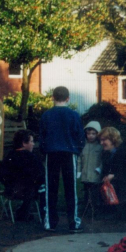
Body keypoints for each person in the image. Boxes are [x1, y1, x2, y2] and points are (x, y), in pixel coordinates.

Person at [39, 86, 85, 232]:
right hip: (69, 153)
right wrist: (77, 150)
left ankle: (50, 222)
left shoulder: (46, 115)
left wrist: (45, 150)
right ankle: (73, 222)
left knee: (51, 188)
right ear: (68, 98)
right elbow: (80, 137)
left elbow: (42, 136)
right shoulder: (74, 115)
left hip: (51, 153)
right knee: (71, 188)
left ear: (52, 97)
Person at [0, 129, 45, 221]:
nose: (33, 144)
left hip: (11, 191)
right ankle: (43, 215)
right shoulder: (33, 158)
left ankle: (22, 212)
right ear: (24, 143)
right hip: (29, 192)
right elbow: (41, 175)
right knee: (43, 187)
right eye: (31, 141)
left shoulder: (9, 157)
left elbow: (1, 175)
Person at [79, 121, 103, 213]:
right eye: (88, 133)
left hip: (95, 174)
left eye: (93, 133)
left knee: (95, 194)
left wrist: (100, 168)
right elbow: (80, 159)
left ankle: (95, 210)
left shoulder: (100, 146)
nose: (91, 136)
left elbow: (103, 159)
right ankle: (87, 209)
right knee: (86, 193)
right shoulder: (84, 145)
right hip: (86, 174)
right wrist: (79, 170)